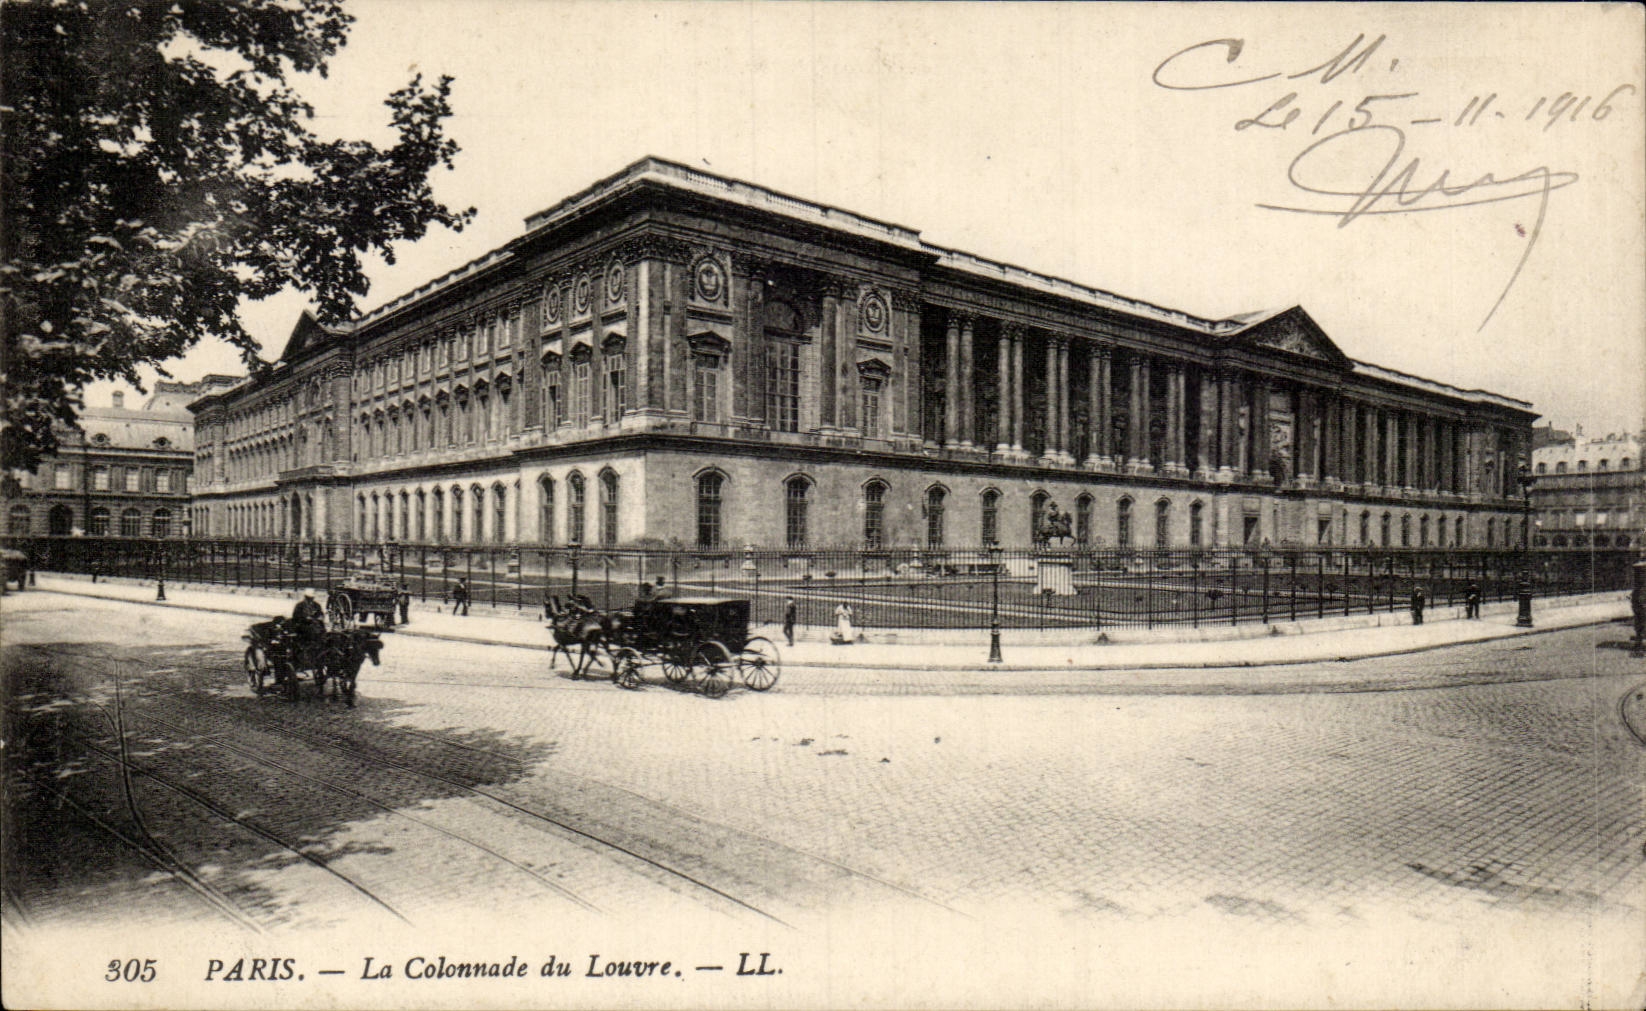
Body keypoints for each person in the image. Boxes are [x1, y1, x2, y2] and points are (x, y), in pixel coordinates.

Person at [291, 588, 327, 671]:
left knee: (323, 634)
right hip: (303, 627)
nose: (310, 600)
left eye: (311, 598)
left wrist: (320, 617)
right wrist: (305, 619)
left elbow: (321, 614)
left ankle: (320, 653)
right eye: (309, 598)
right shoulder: (299, 606)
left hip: (316, 626)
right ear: (305, 597)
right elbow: (295, 618)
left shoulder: (317, 605)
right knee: (311, 632)